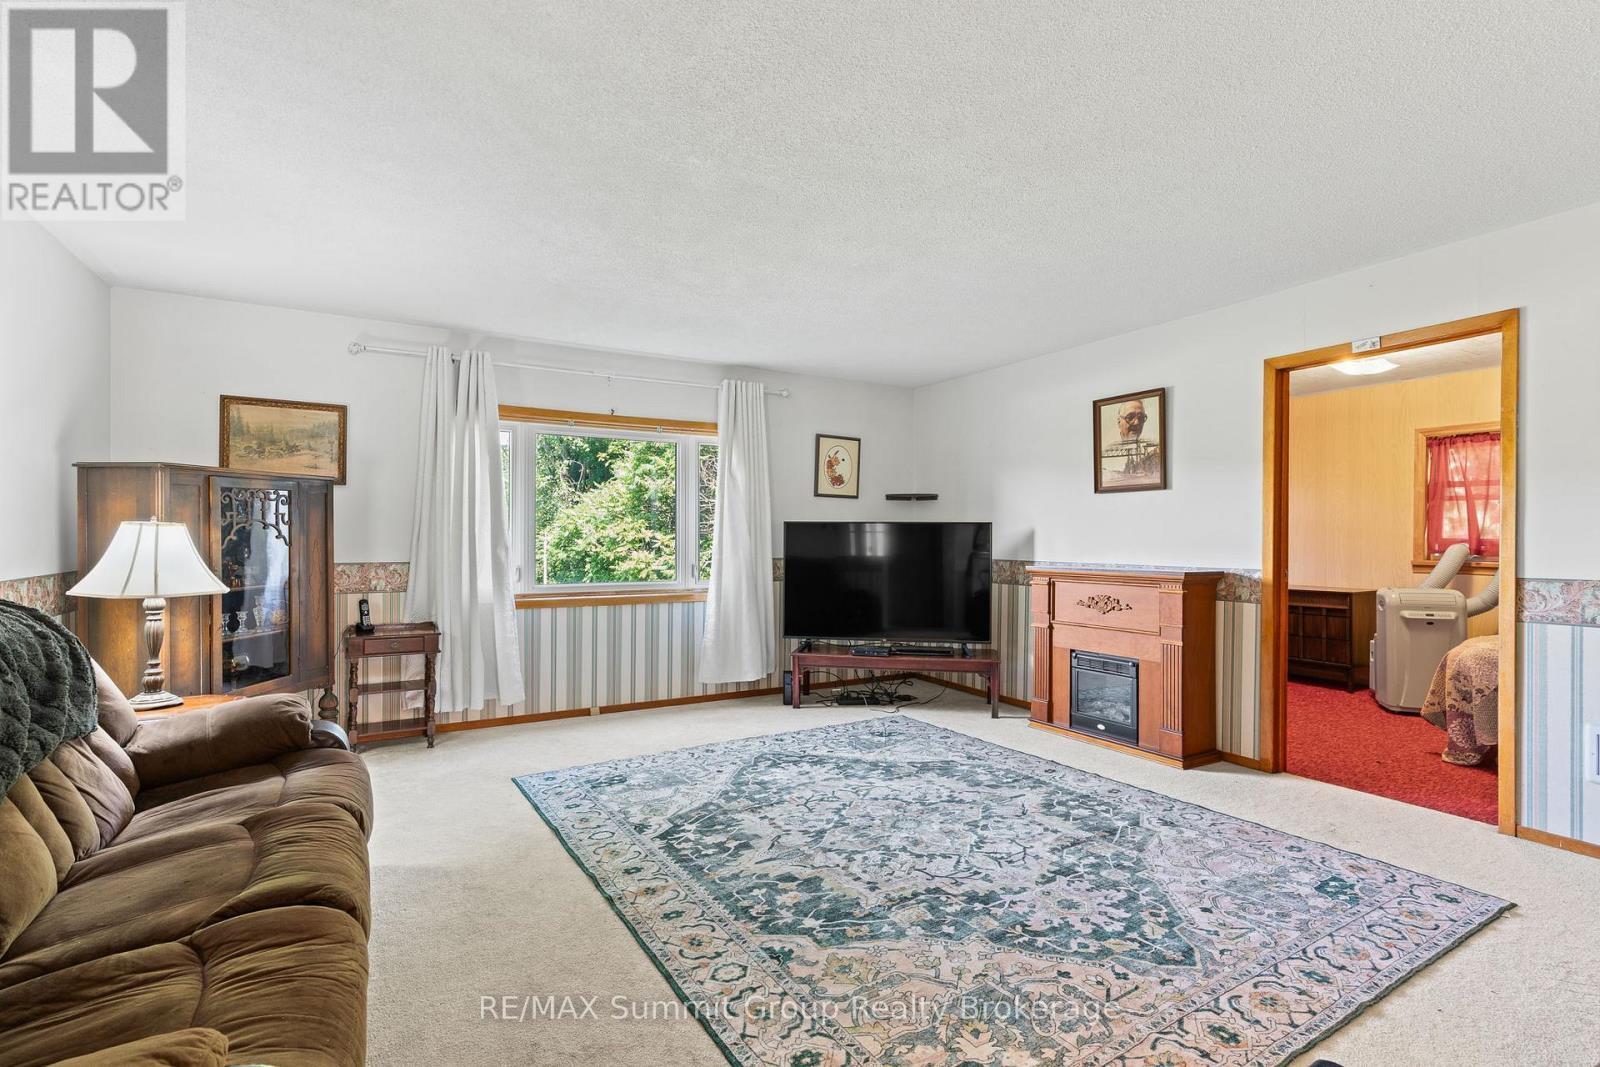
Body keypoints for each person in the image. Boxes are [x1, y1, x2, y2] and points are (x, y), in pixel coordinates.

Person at [1102, 399, 1161, 483]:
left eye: (1141, 418)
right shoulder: (1107, 444)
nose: (1137, 422)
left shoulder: (1150, 441)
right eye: (1130, 417)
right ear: (1119, 422)